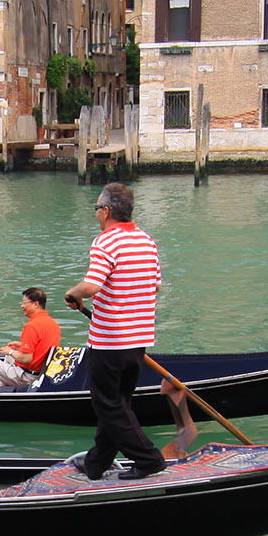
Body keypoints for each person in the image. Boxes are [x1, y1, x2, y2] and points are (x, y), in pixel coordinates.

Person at [65, 182, 164, 480]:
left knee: (107, 405)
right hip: (139, 339)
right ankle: (97, 463)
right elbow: (155, 286)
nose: (96, 213)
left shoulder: (105, 241)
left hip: (110, 340)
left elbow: (92, 285)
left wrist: (73, 292)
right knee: (118, 404)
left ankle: (149, 460)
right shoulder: (147, 241)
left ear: (106, 212)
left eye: (97, 208)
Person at [0, 287, 62, 388]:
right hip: (41, 372)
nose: (22, 306)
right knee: (9, 357)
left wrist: (10, 352)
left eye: (25, 303)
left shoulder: (32, 326)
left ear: (36, 304)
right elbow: (44, 346)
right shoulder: (53, 324)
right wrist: (21, 346)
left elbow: (27, 359)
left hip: (27, 377)